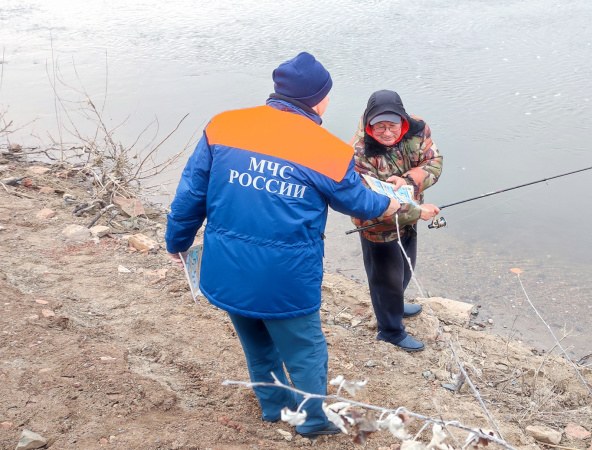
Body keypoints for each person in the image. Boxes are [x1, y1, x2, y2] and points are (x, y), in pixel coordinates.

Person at [163, 53, 437, 438]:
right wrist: (395, 204)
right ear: (318, 99)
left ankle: (273, 408)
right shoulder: (326, 149)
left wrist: (177, 242)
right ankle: (311, 421)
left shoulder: (223, 125)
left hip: (227, 267)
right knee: (306, 350)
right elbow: (357, 201)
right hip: (286, 275)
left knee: (256, 342)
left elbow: (191, 192)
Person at [350, 89, 443, 352]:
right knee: (385, 278)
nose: (387, 133)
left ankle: (396, 304)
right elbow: (367, 203)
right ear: (369, 124)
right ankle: (390, 330)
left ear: (402, 120)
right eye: (380, 127)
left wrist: (411, 179)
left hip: (409, 215)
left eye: (392, 125)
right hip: (377, 226)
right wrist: (418, 212)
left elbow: (434, 162)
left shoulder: (417, 129)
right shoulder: (357, 153)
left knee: (406, 266)